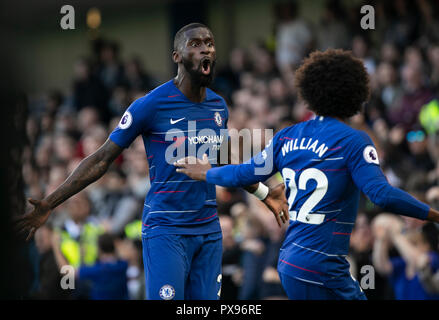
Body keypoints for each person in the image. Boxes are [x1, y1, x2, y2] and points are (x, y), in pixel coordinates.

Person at [15, 23, 287, 300]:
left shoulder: (218, 106)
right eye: (195, 44)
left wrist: (264, 193)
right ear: (177, 56)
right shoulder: (151, 104)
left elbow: (226, 162)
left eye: (210, 43)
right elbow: (101, 159)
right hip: (166, 230)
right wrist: (50, 202)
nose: (206, 48)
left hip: (208, 230)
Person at [174, 49, 439, 300]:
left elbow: (243, 174)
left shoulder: (286, 136)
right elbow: (381, 194)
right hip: (323, 266)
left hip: (289, 263)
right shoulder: (354, 140)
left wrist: (208, 172)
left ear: (309, 92)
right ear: (355, 93)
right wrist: (434, 214)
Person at [372, 214, 439, 300]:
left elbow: (421, 262)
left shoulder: (433, 258)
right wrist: (381, 239)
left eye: (414, 244)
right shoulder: (402, 264)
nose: (406, 249)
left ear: (427, 246)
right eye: (407, 244)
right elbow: (381, 266)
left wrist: (395, 234)